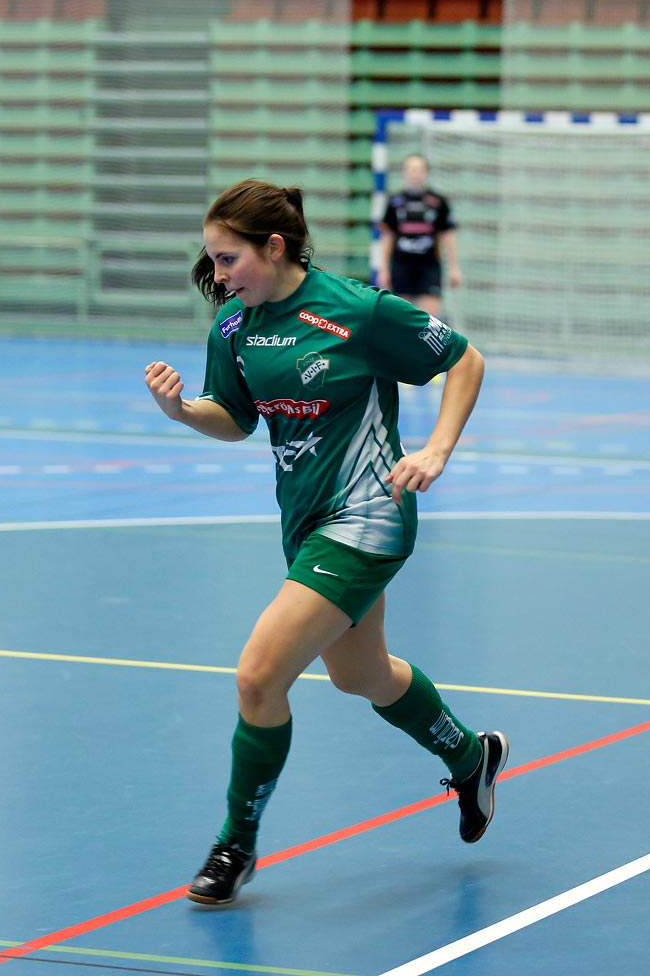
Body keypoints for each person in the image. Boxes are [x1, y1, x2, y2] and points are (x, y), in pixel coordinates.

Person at [144, 179, 507, 907]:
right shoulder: (234, 328)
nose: (217, 277)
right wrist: (184, 410)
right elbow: (235, 417)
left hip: (370, 515)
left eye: (227, 259)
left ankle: (234, 845)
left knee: (257, 677)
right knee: (362, 675)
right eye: (212, 262)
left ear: (273, 247)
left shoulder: (357, 311)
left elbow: (464, 360)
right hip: (305, 520)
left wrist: (435, 449)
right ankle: (470, 757)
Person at [379, 153, 462, 323]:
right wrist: (384, 269)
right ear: (405, 172)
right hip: (402, 265)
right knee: (401, 319)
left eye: (419, 169)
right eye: (411, 169)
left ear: (426, 172)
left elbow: (448, 236)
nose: (415, 173)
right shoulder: (395, 201)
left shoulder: (439, 202)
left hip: (429, 266)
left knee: (429, 322)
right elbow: (387, 237)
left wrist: (454, 268)